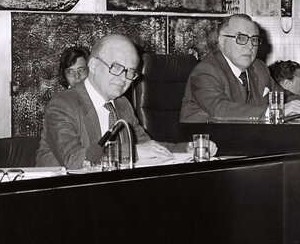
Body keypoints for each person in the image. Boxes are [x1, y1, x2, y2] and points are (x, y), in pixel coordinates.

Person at [37, 34, 215, 169]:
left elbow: (147, 146)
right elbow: (73, 159)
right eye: (116, 67)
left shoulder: (122, 104)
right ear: (93, 66)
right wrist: (133, 151)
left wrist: (188, 149)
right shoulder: (62, 105)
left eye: (130, 72)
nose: (124, 78)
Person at [180, 14, 300, 122]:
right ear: (222, 40)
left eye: (254, 39)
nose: (250, 46)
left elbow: (282, 97)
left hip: (246, 139)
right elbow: (220, 110)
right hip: (204, 142)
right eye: (241, 38)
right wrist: (276, 111)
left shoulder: (259, 67)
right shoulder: (206, 71)